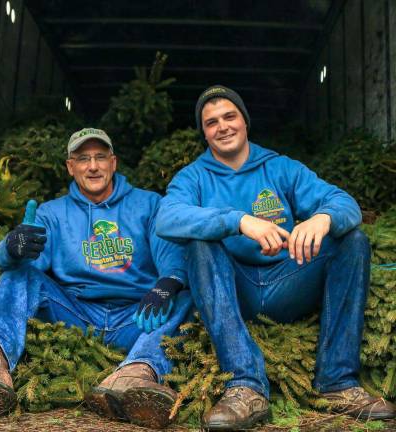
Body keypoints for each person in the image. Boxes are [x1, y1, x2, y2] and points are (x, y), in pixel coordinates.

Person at [156, 85, 396, 430]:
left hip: (289, 281)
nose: (222, 127)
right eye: (211, 123)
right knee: (199, 245)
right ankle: (245, 384)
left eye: (229, 116)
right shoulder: (193, 176)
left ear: (245, 121)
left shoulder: (280, 168)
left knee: (352, 240)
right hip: (236, 290)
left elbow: (344, 202)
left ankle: (338, 382)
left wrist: (321, 218)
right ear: (204, 133)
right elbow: (168, 217)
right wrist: (238, 221)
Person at [0, 128, 192, 429]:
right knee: (21, 273)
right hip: (76, 313)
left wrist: (167, 283)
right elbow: (24, 262)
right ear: (71, 167)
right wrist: (11, 248)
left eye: (100, 157)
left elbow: (171, 254)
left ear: (114, 162)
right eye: (83, 158)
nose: (93, 166)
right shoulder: (52, 213)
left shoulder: (149, 204)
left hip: (138, 316)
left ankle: (137, 373)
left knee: (185, 294)